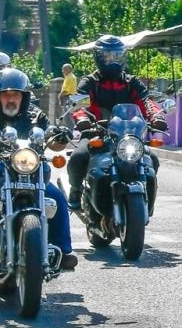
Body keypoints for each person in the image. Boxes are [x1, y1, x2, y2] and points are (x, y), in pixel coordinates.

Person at [0, 69, 76, 273]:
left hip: (33, 172)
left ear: (24, 97)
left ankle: (64, 251)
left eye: (16, 95)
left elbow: (53, 141)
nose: (11, 99)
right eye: (6, 95)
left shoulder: (35, 116)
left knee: (57, 197)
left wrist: (60, 136)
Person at [67, 35, 166, 211]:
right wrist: (82, 119)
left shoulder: (131, 82)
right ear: (98, 57)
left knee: (153, 159)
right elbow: (79, 104)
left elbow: (146, 100)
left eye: (117, 56)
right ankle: (75, 191)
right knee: (78, 157)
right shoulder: (90, 82)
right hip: (96, 132)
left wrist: (156, 117)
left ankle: (145, 198)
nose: (112, 61)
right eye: (107, 56)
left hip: (127, 135)